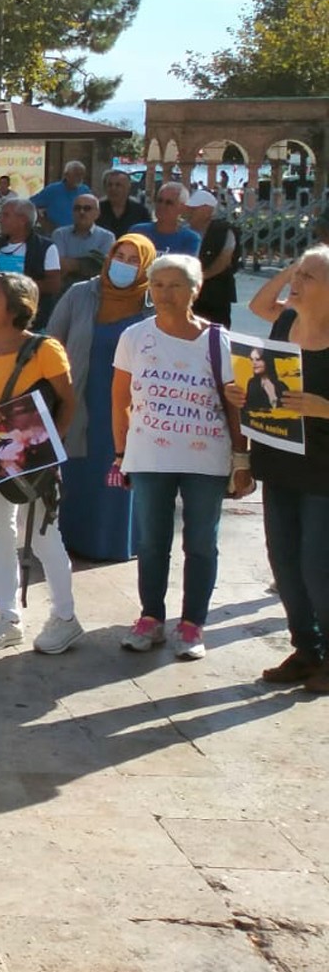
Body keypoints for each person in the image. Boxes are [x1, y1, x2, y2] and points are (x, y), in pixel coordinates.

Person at [111, 254, 251, 661]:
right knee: (151, 542)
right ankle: (151, 618)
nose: (165, 294)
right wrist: (120, 453)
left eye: (175, 285)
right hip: (149, 456)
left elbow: (234, 407)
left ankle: (192, 624)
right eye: (158, 285)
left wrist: (241, 460)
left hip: (206, 458)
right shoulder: (134, 337)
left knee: (202, 543)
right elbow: (120, 399)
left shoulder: (219, 341)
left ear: (195, 289)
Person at [0, 273, 81, 654]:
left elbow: (68, 402)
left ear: (16, 308)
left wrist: (49, 451)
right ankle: (6, 617)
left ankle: (65, 616)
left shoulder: (45, 350)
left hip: (34, 458)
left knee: (43, 535)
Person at [233, 248, 329, 688]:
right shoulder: (286, 321)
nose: (296, 282)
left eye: (309, 278)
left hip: (323, 472)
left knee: (317, 564)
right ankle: (306, 649)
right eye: (298, 274)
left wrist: (322, 408)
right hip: (280, 461)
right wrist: (300, 267)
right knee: (284, 560)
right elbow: (257, 305)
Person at [45, 234, 157, 562]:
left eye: (133, 259)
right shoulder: (81, 294)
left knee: (120, 473)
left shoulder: (152, 304)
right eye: (119, 255)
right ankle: (70, 542)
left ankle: (115, 543)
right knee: (80, 472)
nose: (123, 264)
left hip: (129, 407)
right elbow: (52, 340)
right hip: (81, 398)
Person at [186, 189, 239, 327]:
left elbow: (223, 260)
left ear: (207, 211)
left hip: (216, 293)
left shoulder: (223, 231)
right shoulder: (185, 231)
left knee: (216, 331)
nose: (189, 213)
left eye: (194, 209)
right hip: (190, 292)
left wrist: (200, 277)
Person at [55, 192, 117, 285]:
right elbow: (59, 267)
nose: (81, 212)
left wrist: (72, 264)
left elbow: (103, 268)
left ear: (97, 213)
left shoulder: (107, 237)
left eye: (87, 208)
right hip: (64, 290)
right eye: (77, 208)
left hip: (95, 291)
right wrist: (87, 264)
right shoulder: (60, 234)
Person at [140, 181, 201, 256]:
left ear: (182, 208)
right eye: (159, 201)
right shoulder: (139, 231)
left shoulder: (190, 239)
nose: (162, 206)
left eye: (169, 203)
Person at [30, 160, 91, 231]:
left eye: (82, 174)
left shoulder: (85, 190)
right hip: (56, 233)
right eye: (76, 174)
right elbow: (30, 204)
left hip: (78, 234)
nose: (80, 177)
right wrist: (42, 221)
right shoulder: (53, 190)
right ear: (66, 175)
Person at [99, 168, 151, 237]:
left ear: (128, 188)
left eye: (118, 185)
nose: (113, 188)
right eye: (110, 185)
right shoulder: (96, 209)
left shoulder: (140, 211)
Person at [244, 346, 286, 412]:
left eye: (258, 359)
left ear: (267, 360)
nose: (254, 363)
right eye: (252, 359)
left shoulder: (281, 386)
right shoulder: (252, 383)